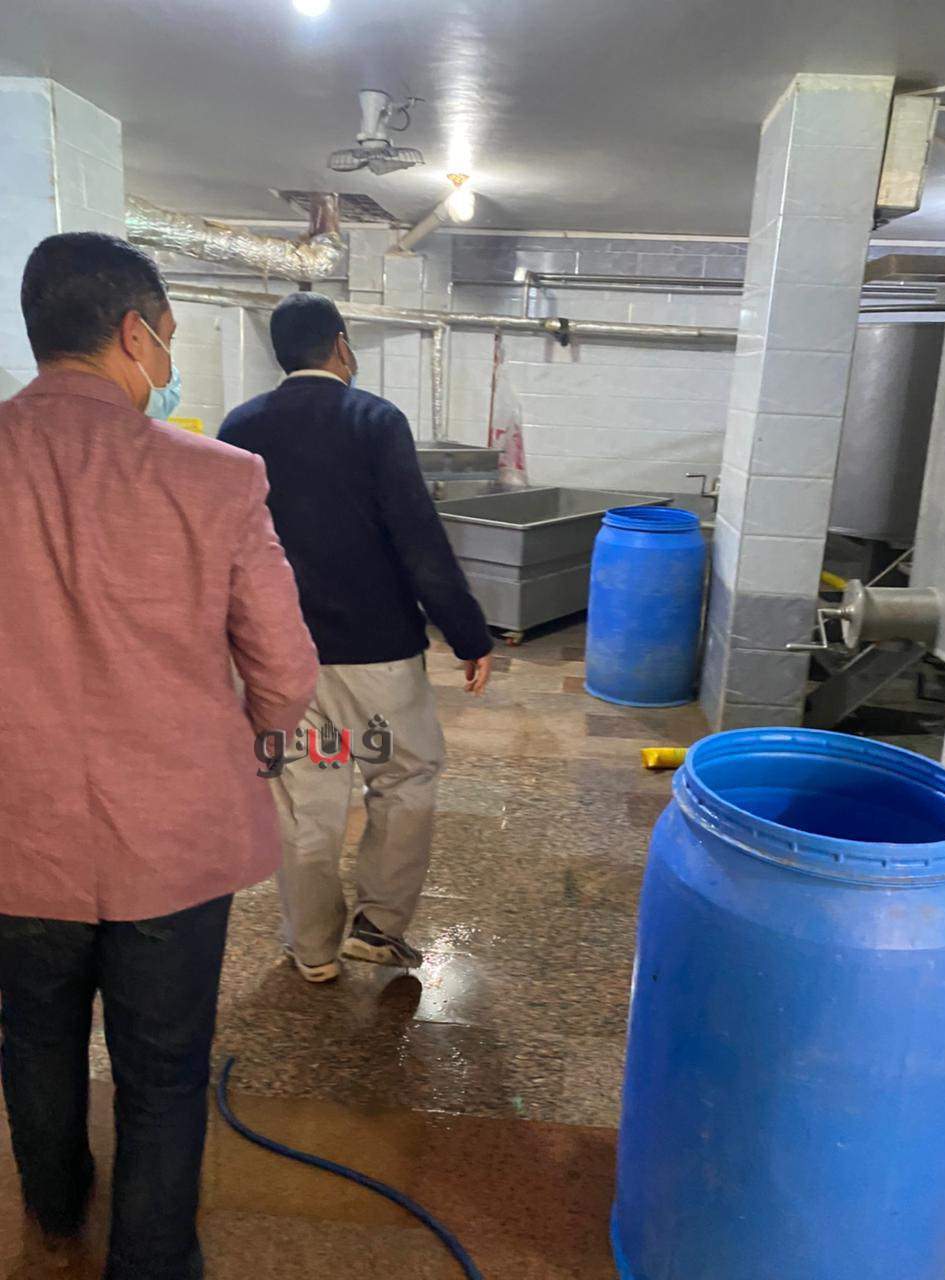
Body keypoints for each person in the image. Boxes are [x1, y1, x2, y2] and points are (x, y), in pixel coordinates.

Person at [0, 234, 318, 1279]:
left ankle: (54, 1209)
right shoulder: (216, 478)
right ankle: (151, 1259)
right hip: (172, 838)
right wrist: (254, 742)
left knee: (32, 1035)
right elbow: (285, 670)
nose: (167, 360)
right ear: (135, 334)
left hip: (14, 832)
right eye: (169, 338)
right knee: (165, 1067)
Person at [219, 293, 493, 984]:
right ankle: (377, 929)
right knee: (403, 777)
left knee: (303, 795)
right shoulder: (374, 420)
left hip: (279, 655)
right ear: (341, 346)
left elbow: (224, 547)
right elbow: (417, 536)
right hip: (378, 653)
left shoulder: (240, 427)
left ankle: (311, 948)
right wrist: (467, 633)